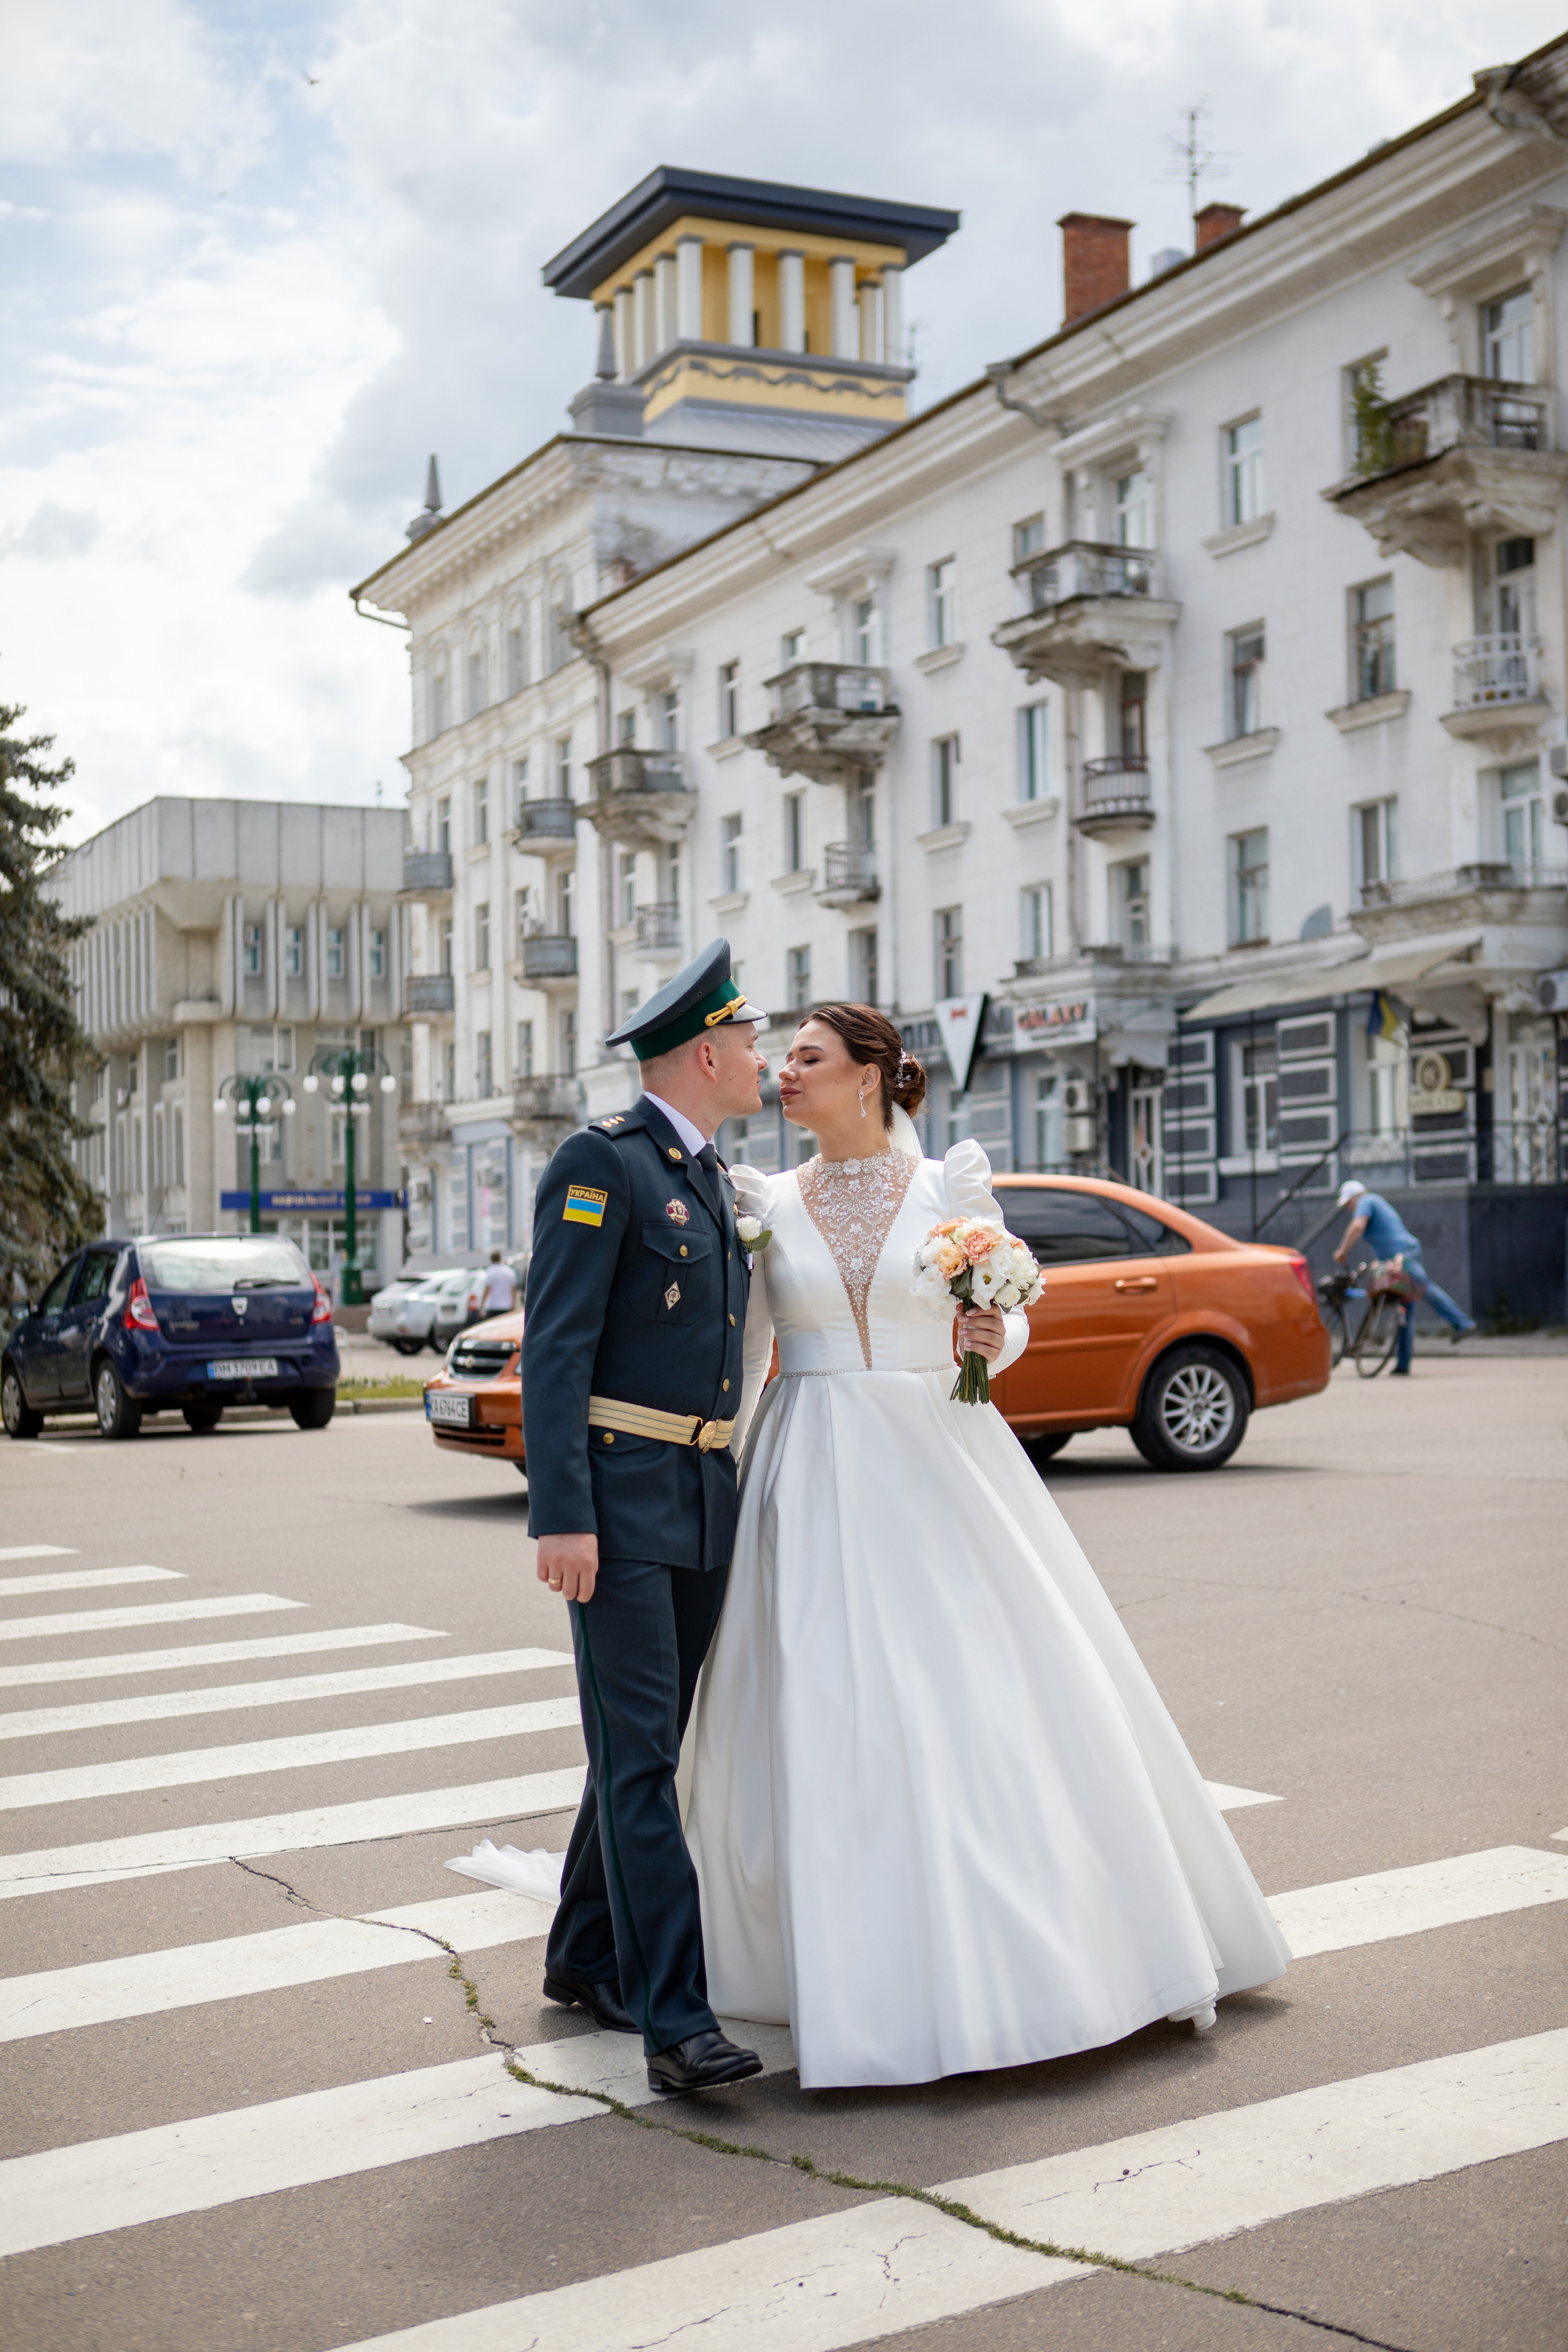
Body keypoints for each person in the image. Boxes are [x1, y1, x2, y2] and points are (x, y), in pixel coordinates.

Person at [684, 1003, 1292, 2090]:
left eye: (808, 1059)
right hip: (807, 1465)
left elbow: (1005, 1318)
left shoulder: (950, 1189)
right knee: (825, 1705)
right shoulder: (764, 1202)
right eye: (783, 1062)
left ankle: (1043, 1955)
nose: (784, 1074)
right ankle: (850, 1965)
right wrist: (709, 1463)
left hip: (939, 1459)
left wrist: (989, 1336)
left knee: (974, 1696)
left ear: (869, 1076)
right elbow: (751, 1346)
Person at [509, 941, 772, 2097]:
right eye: (755, 1040)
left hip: (701, 1502)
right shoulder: (602, 1164)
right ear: (707, 1050)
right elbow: (556, 1353)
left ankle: (581, 1953)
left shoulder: (712, 1178)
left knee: (635, 1750)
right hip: (615, 1510)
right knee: (643, 1763)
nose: (764, 1058)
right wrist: (558, 1516)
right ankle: (678, 2023)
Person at [1332, 1177, 1476, 1374]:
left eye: (1347, 1203)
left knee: (1423, 1287)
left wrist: (1342, 1251)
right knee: (1404, 1307)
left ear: (1354, 1197)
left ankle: (1462, 1323)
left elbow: (1357, 1227)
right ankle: (1403, 1363)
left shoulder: (1367, 1200)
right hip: (1390, 1261)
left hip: (1402, 1255)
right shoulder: (1374, 1203)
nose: (1348, 1208)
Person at [478, 1250, 517, 1317]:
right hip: (507, 1306)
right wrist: (513, 1305)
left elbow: (486, 1290)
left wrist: (482, 1307)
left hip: (493, 1306)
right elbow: (514, 1290)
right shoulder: (510, 1271)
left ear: (491, 1260)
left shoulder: (490, 1272)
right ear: (501, 1258)